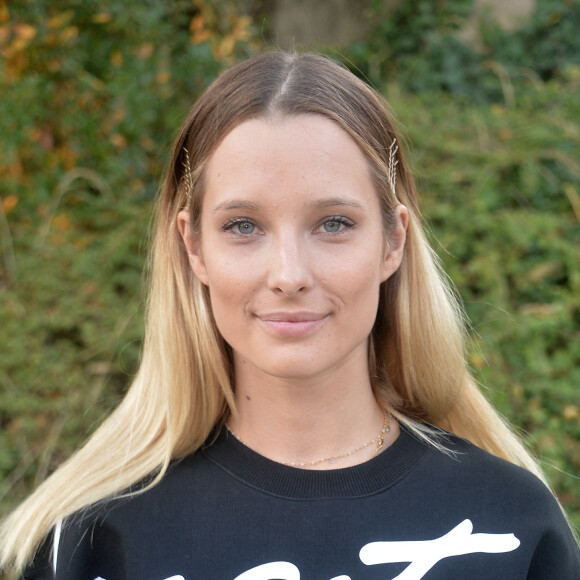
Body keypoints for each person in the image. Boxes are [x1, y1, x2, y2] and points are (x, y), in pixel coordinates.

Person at [1, 51, 579, 579]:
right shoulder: (91, 540)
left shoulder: (510, 526)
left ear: (392, 242)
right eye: (243, 226)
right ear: (194, 246)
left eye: (333, 223)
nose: (288, 273)